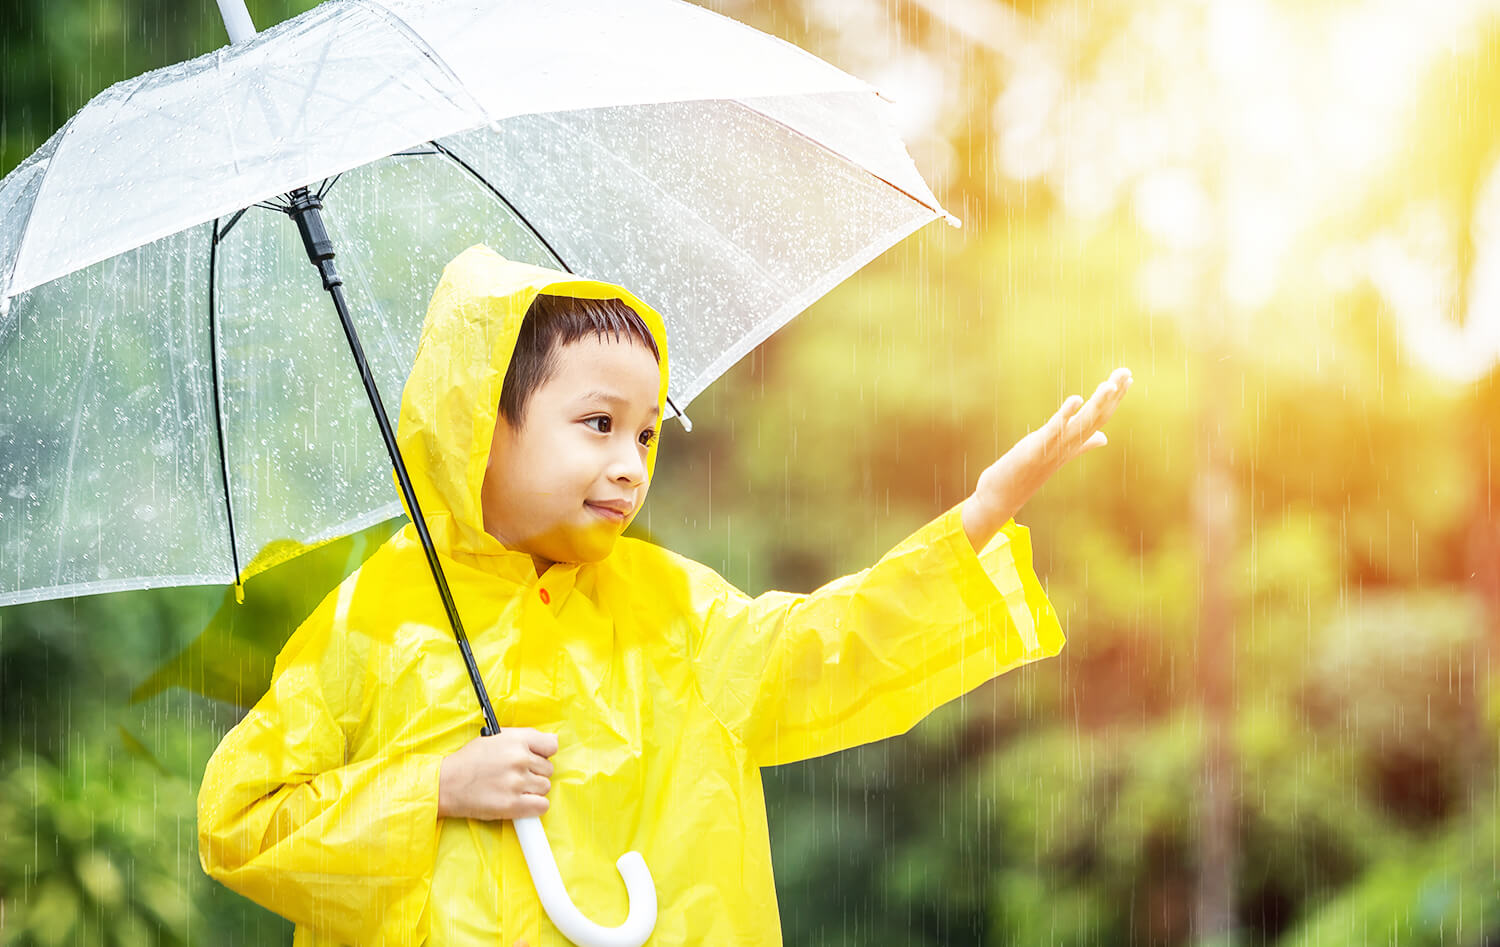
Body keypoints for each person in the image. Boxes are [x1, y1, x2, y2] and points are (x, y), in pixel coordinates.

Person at [197, 244, 1131, 946]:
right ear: (483, 422)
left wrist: (980, 511)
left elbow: (820, 650)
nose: (627, 464)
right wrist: (435, 787)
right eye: (597, 424)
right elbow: (242, 821)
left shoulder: (671, 611)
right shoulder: (374, 621)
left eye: (645, 434)